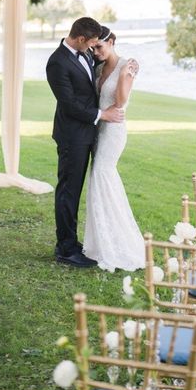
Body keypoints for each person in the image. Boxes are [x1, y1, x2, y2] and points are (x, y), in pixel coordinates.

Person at [46, 17, 124, 268]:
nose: (93, 47)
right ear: (80, 39)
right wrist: (103, 115)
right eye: (91, 43)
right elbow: (68, 103)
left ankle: (72, 241)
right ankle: (66, 249)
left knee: (77, 190)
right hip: (72, 136)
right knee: (69, 192)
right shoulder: (57, 62)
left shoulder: (85, 54)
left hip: (88, 134)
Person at [83, 26, 145, 272]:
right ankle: (100, 243)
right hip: (99, 130)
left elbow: (120, 102)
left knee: (102, 175)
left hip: (114, 132)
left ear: (112, 42)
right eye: (93, 47)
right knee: (97, 179)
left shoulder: (127, 66)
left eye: (99, 46)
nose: (95, 51)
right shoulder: (97, 67)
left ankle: (119, 244)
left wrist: (122, 77)